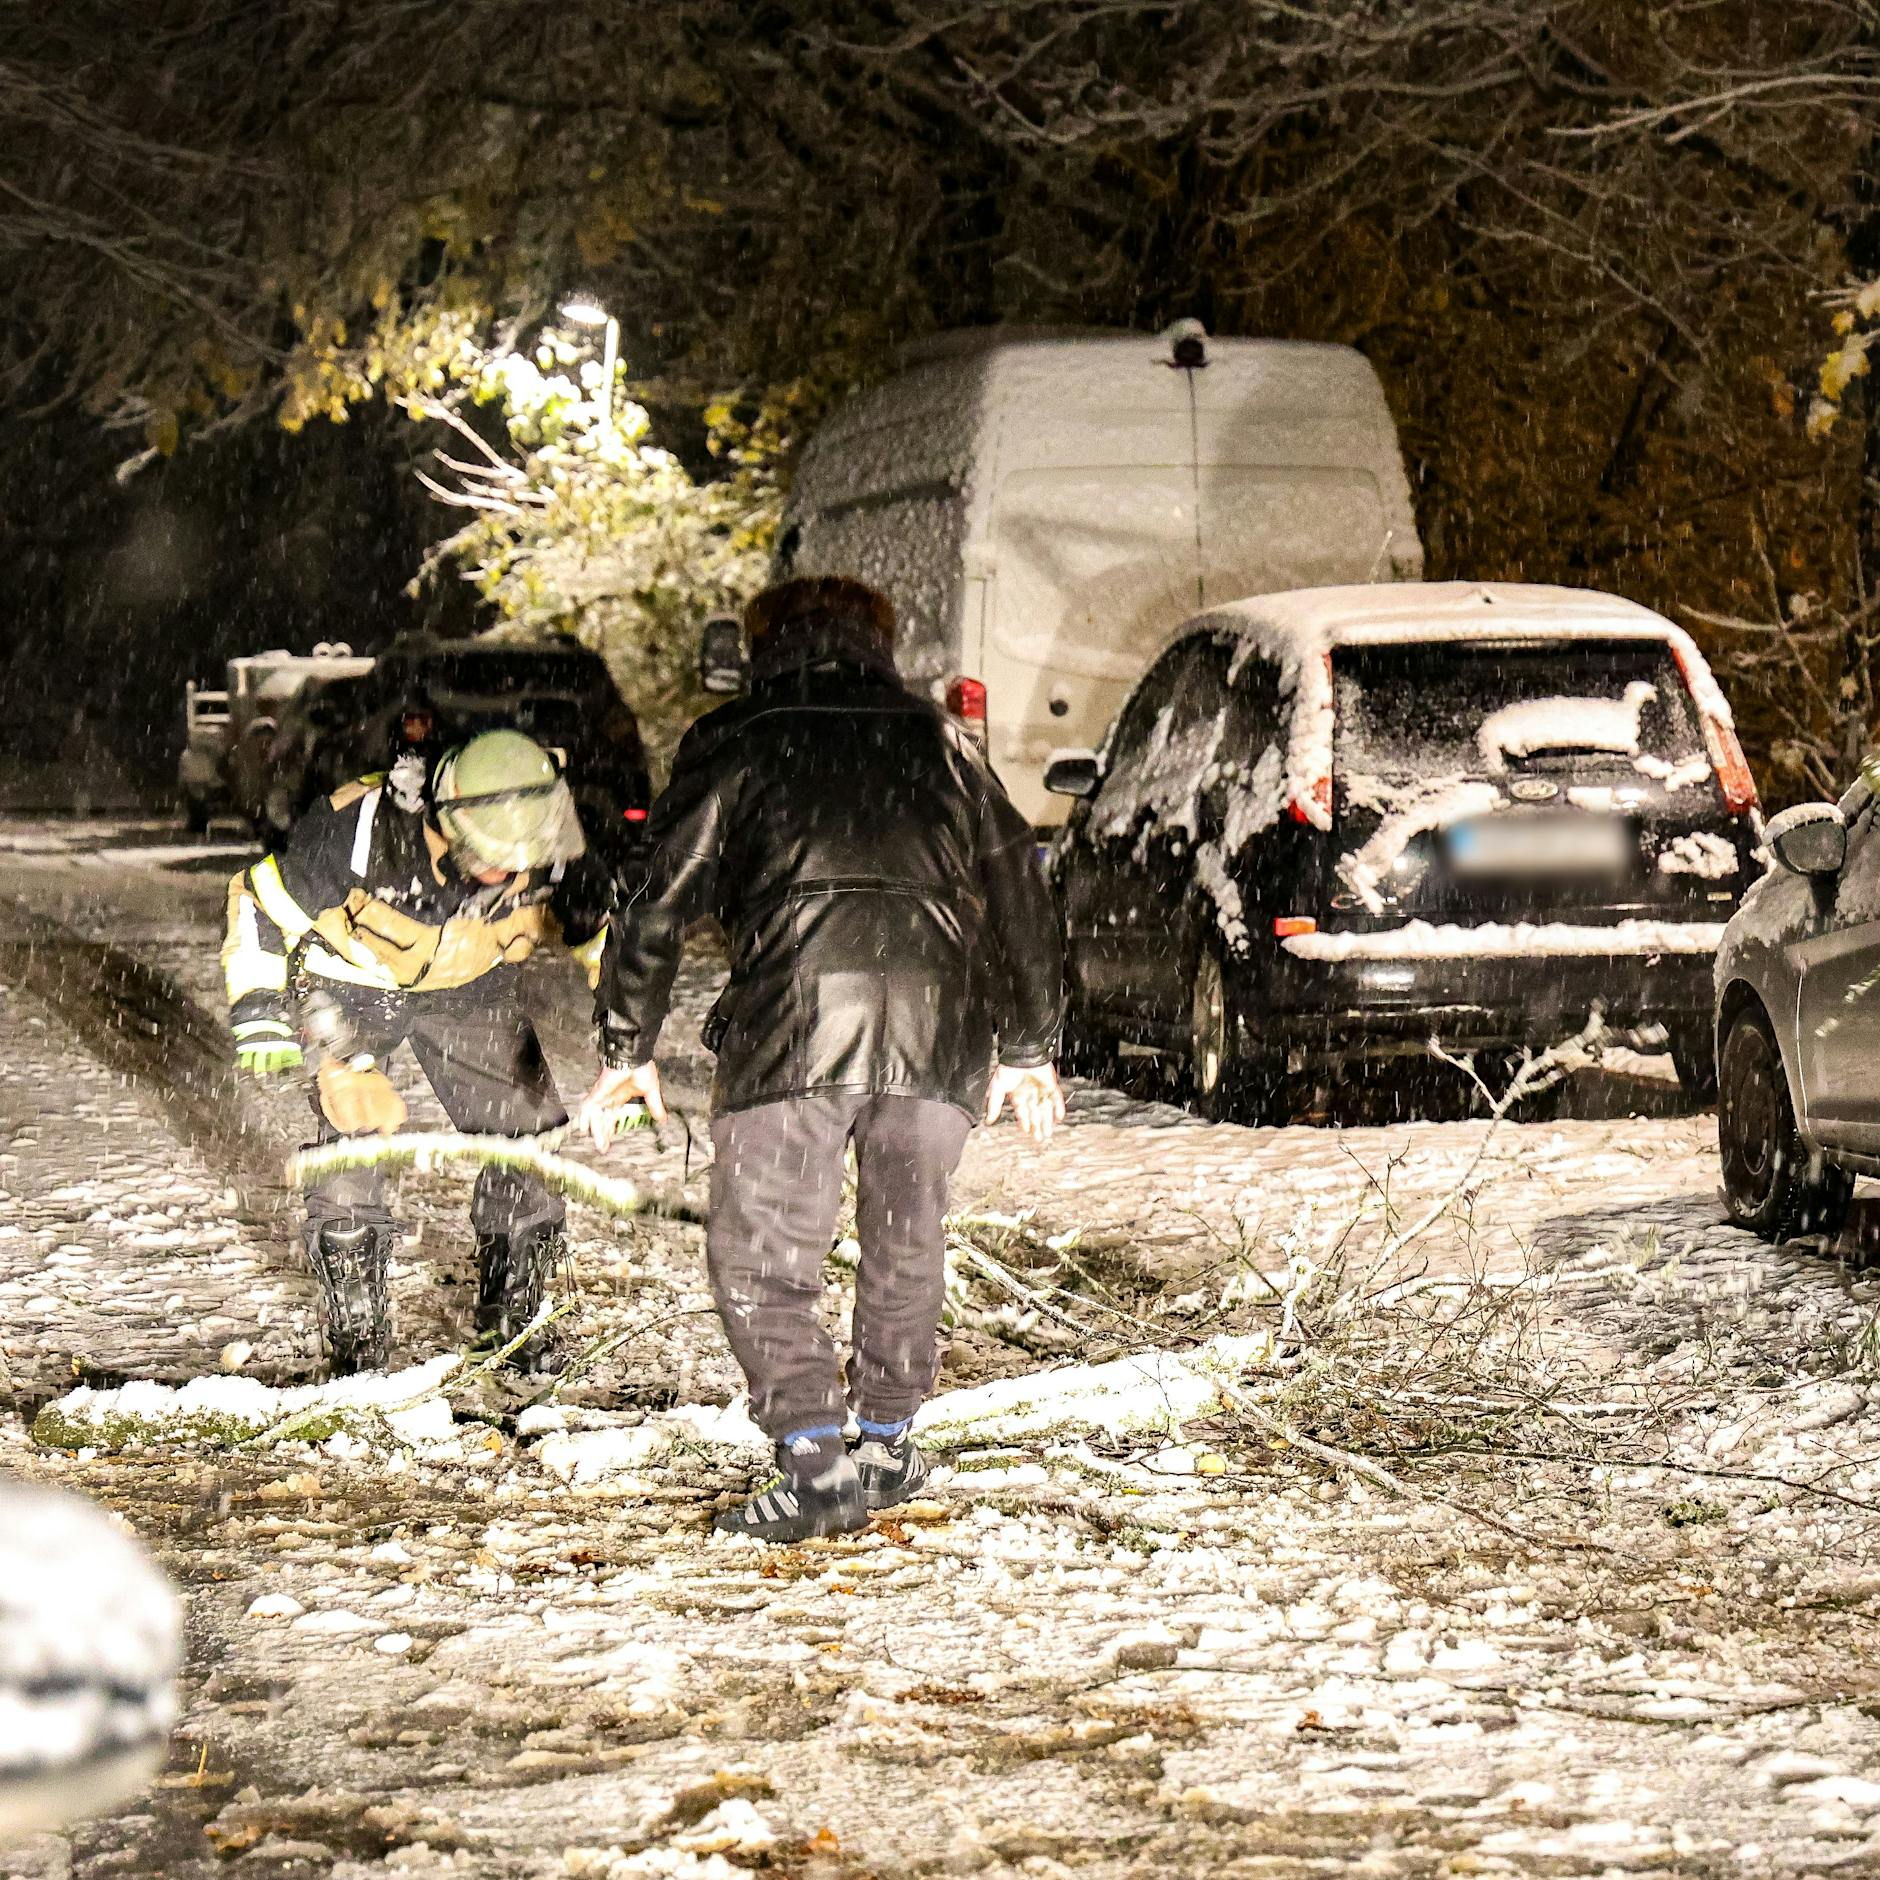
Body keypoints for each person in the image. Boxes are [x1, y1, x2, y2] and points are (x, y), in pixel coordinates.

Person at [579, 575, 1064, 1544]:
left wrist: (625, 1044)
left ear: (764, 647)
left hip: (792, 1026)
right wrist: (1028, 1041)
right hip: (937, 1027)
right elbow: (1017, 879)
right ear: (878, 644)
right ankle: (884, 1440)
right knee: (903, 1233)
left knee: (763, 1252)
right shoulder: (937, 739)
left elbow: (658, 899)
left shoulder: (735, 737)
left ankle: (812, 1462)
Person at [223, 728, 615, 1374]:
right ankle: (358, 1337)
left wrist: (627, 1048)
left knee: (527, 1139)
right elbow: (259, 902)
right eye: (493, 859)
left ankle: (513, 1323)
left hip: (473, 986)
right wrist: (260, 1013)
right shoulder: (359, 831)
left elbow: (606, 941)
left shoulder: (550, 838)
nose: (512, 873)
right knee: (356, 1137)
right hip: (350, 984)